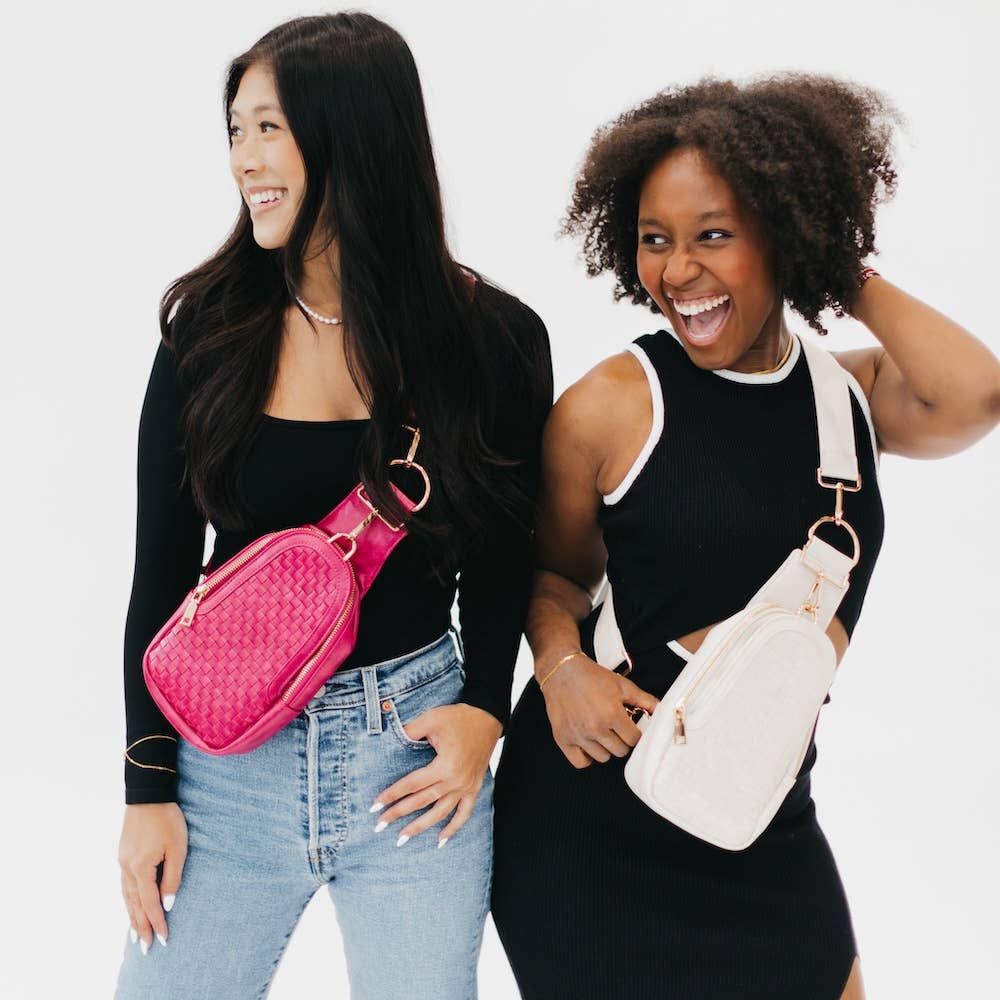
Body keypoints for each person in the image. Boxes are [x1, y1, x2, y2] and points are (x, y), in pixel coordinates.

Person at [491, 74, 1000, 1000]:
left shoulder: (845, 401)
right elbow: (553, 574)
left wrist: (831, 263)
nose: (678, 273)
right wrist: (561, 670)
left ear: (783, 233)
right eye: (656, 240)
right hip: (597, 825)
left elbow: (974, 394)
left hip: (761, 816)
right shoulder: (612, 407)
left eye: (714, 235)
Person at [114, 13, 552, 1000]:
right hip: (226, 769)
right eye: (234, 131)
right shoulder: (207, 334)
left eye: (267, 128)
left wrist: (484, 707)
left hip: (413, 756)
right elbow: (159, 574)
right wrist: (147, 788)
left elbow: (503, 552)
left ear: (350, 130)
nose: (243, 159)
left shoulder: (495, 341)